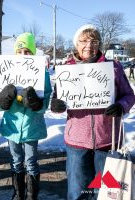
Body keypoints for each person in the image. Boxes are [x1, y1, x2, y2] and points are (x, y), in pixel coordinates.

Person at [50, 24, 135, 200]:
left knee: (105, 192)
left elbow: (129, 95)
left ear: (99, 44)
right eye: (84, 41)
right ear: (76, 44)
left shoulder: (114, 67)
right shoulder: (66, 69)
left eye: (94, 41)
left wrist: (121, 106)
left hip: (107, 140)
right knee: (78, 191)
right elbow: (57, 99)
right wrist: (56, 105)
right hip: (77, 142)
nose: (89, 45)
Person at [0, 32, 52, 200]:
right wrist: (3, 98)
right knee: (16, 160)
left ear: (33, 53)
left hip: (31, 126)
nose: (23, 55)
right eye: (19, 51)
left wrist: (37, 103)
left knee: (31, 162)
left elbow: (46, 101)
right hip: (12, 125)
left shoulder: (42, 73)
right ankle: (18, 194)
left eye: (27, 51)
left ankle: (31, 195)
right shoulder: (7, 69)